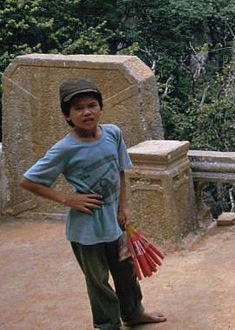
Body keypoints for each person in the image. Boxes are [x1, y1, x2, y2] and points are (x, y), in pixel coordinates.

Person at [19, 77, 166, 329]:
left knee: (125, 270)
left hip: (114, 221)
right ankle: (108, 325)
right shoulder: (63, 149)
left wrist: (124, 206)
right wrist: (67, 198)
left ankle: (132, 313)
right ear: (67, 115)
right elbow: (28, 181)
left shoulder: (113, 133)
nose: (86, 112)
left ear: (100, 107)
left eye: (91, 105)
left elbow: (120, 170)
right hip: (87, 228)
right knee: (98, 280)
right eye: (78, 108)